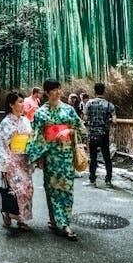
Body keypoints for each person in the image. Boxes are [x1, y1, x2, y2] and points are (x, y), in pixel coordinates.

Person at [27, 79, 85, 241]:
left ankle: (65, 223)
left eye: (59, 89)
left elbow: (81, 128)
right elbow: (36, 135)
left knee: (66, 189)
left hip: (66, 156)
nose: (58, 92)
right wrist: (35, 156)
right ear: (46, 92)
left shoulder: (68, 110)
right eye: (54, 90)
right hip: (50, 157)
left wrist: (67, 131)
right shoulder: (40, 113)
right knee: (51, 188)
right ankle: (53, 219)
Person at [0, 91, 34, 231]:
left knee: (28, 189)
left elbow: (31, 140)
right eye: (20, 102)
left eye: (23, 102)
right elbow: (1, 145)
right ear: (11, 105)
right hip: (11, 161)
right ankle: (13, 216)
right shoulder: (5, 122)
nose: (23, 104)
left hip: (24, 160)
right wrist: (4, 166)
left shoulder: (26, 120)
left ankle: (21, 218)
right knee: (16, 190)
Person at [83, 82, 117, 187]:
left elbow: (85, 118)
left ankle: (92, 180)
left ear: (94, 91)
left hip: (92, 133)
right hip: (104, 133)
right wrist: (107, 120)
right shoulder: (109, 104)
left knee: (93, 157)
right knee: (107, 157)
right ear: (103, 91)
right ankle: (108, 180)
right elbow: (115, 120)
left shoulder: (89, 103)